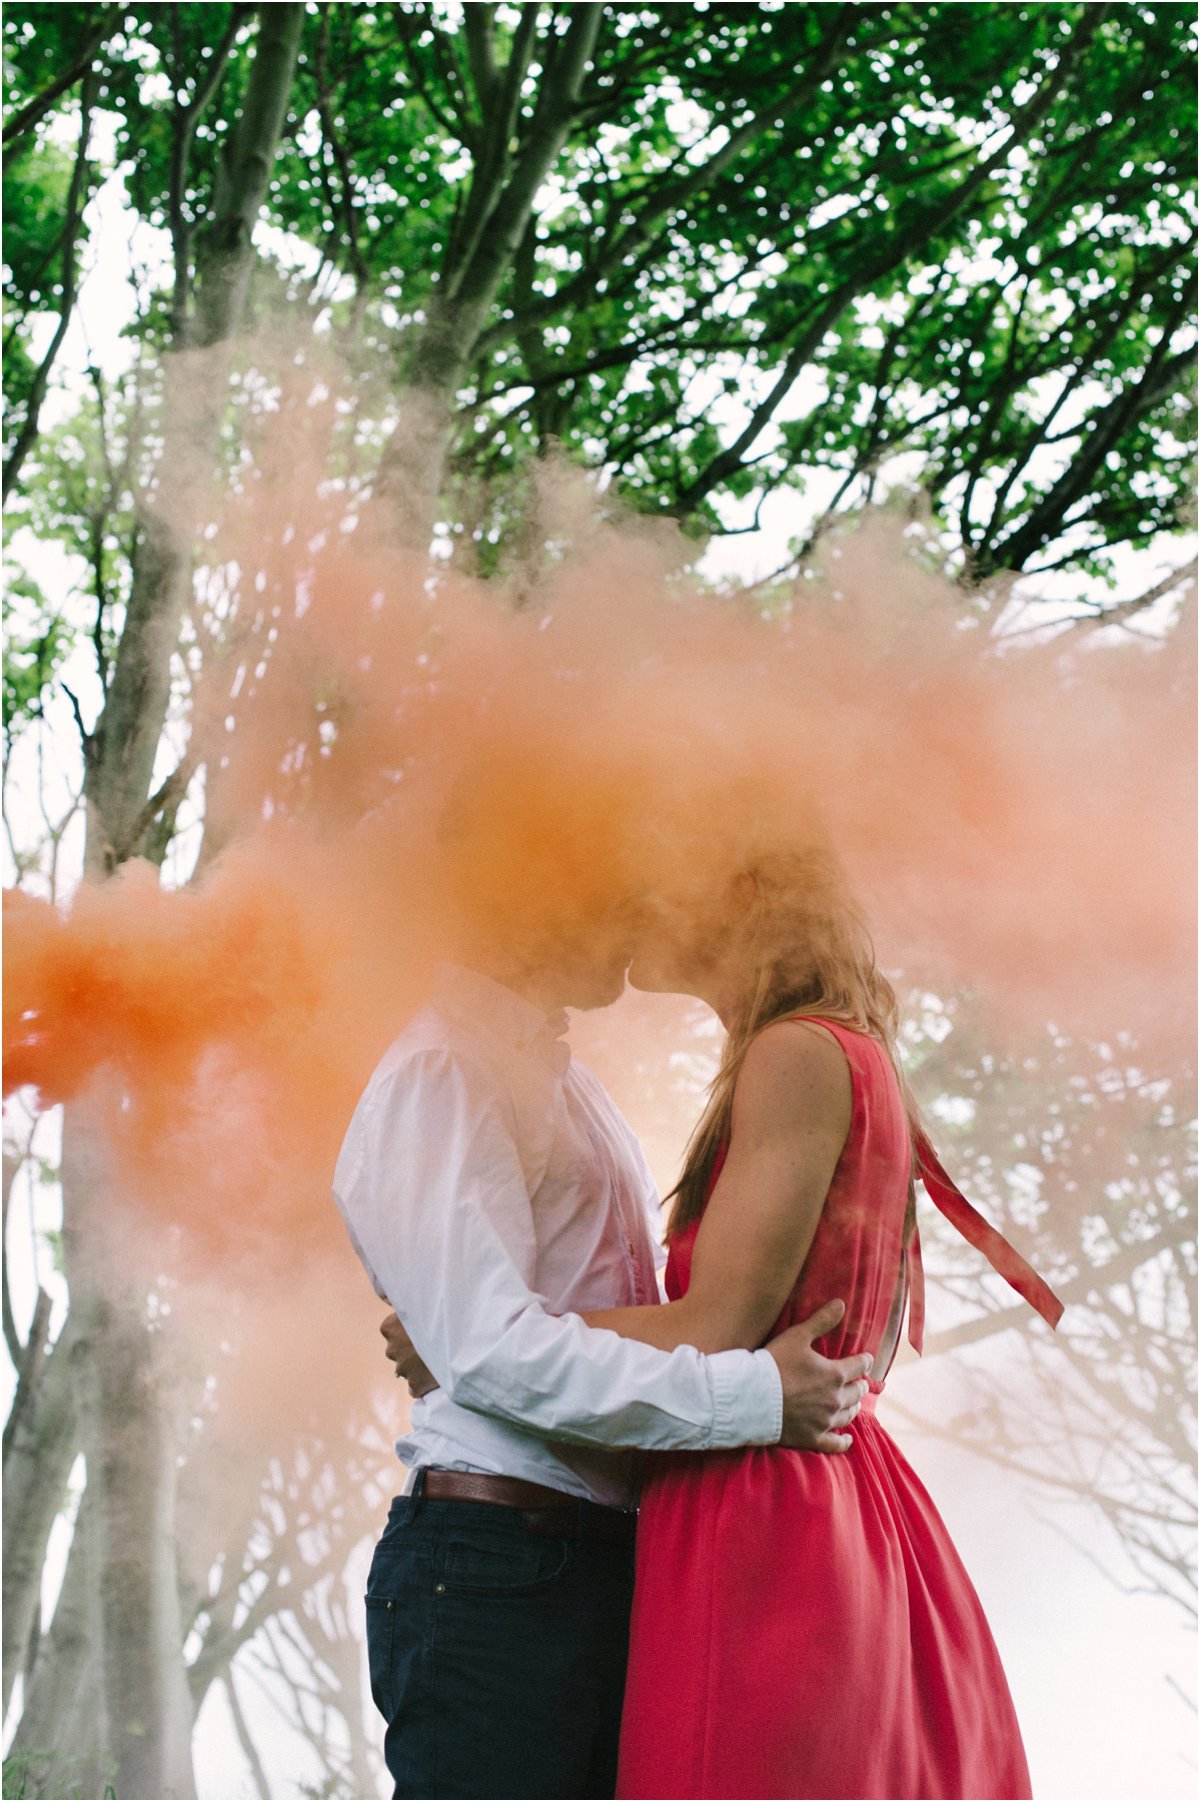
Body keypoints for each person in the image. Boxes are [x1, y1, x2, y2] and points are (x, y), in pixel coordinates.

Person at [560, 846, 1063, 1802]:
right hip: (834, 1498)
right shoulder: (844, 1053)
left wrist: (482, 1342)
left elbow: (715, 1326)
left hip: (761, 1515)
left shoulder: (794, 1053)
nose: (637, 884)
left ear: (740, 891)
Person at [333, 927, 874, 1801]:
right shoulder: (443, 1074)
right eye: (612, 883)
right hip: (499, 1564)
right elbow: (495, 1354)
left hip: (585, 1559)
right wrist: (754, 1400)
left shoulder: (562, 1080)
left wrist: (463, 1344)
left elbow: (486, 1342)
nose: (633, 919)